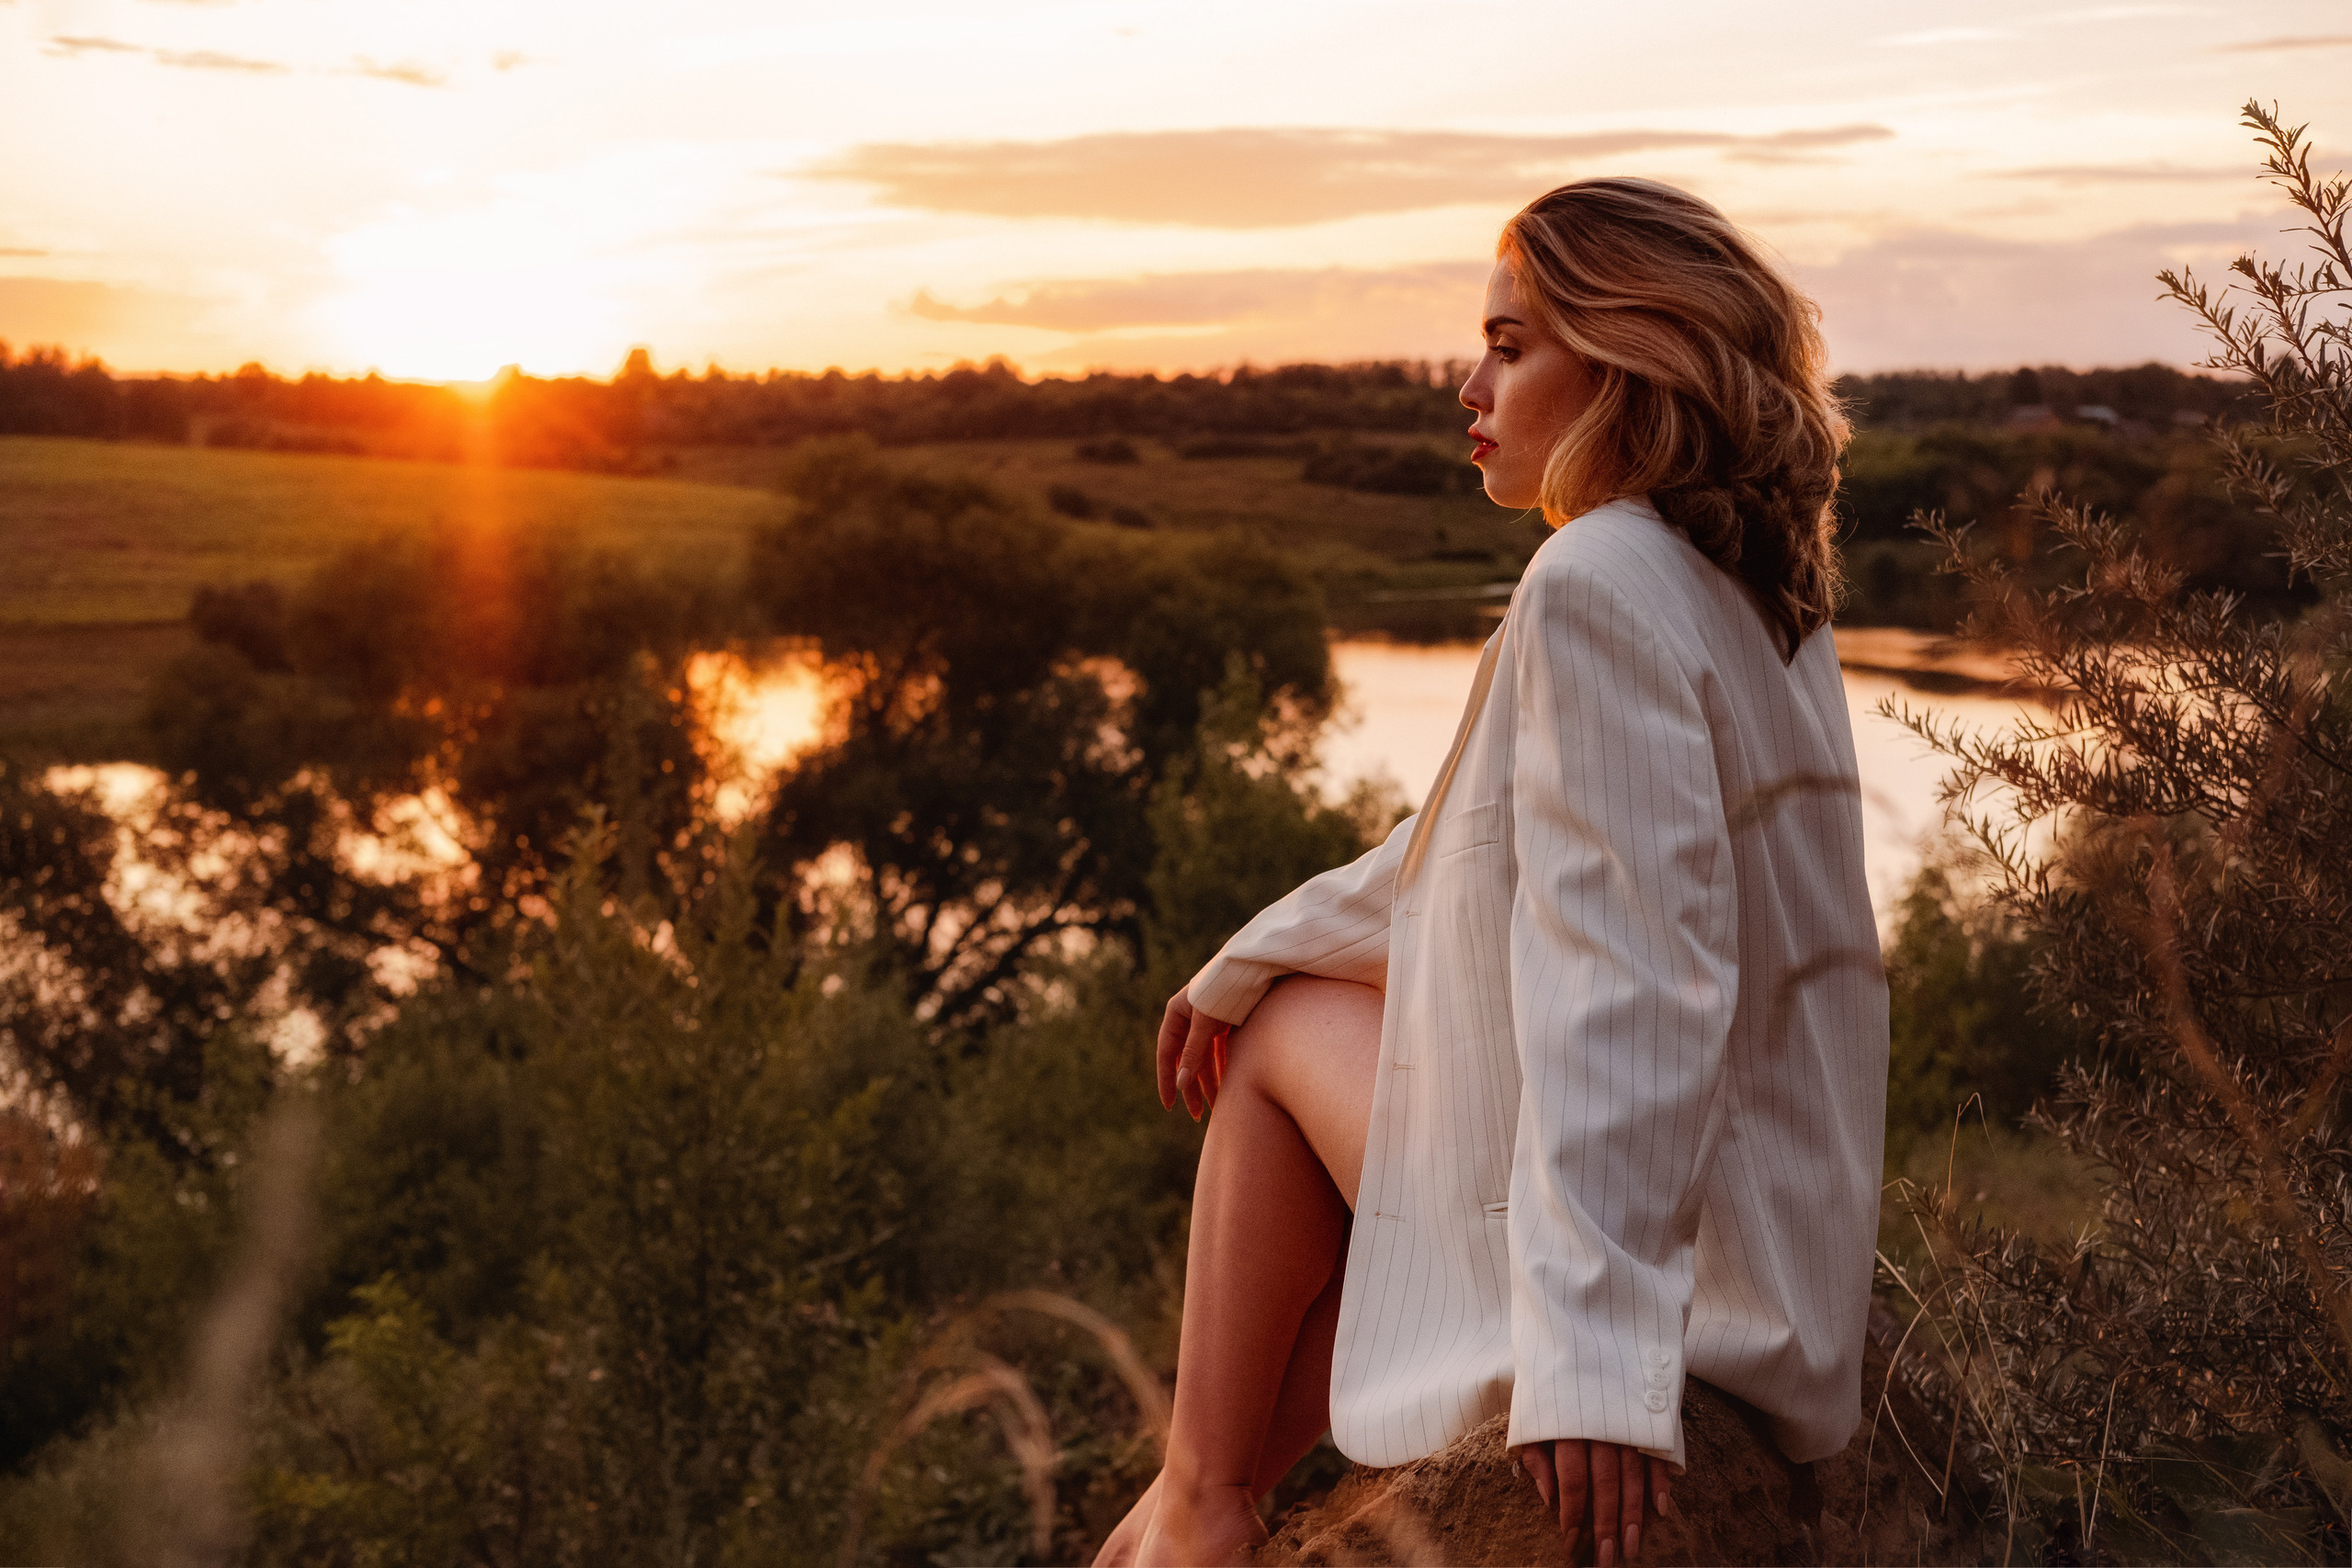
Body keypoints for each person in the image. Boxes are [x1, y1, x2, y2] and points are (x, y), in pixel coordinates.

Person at [1095, 177, 1889, 1568]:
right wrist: (1255, 944)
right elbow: (1476, 846)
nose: (1470, 381)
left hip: (1687, 1282)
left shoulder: (1595, 577)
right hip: (1773, 1262)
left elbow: (1634, 973)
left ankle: (1202, 1501)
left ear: (1633, 358)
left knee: (1286, 1041)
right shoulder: (1756, 591)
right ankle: (1199, 1496)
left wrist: (1594, 1360)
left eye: (1512, 346)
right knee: (1299, 1018)